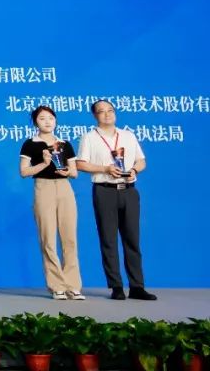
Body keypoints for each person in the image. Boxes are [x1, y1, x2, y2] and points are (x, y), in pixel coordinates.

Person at [76, 99, 157, 301]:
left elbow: (141, 160)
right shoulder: (89, 137)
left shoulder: (128, 135)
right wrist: (105, 168)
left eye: (110, 110)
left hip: (129, 191)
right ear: (95, 115)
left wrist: (134, 170)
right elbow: (80, 164)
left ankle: (137, 287)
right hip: (105, 191)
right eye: (102, 111)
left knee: (132, 239)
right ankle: (116, 286)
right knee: (108, 240)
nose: (107, 114)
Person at [19, 105, 84, 300]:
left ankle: (73, 285)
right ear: (35, 122)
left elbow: (74, 172)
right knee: (48, 238)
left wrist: (67, 172)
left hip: (65, 188)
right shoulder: (30, 144)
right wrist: (44, 163)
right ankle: (57, 286)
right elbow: (24, 172)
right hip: (43, 188)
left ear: (55, 121)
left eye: (51, 118)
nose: (47, 122)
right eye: (42, 118)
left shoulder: (64, 144)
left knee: (70, 238)